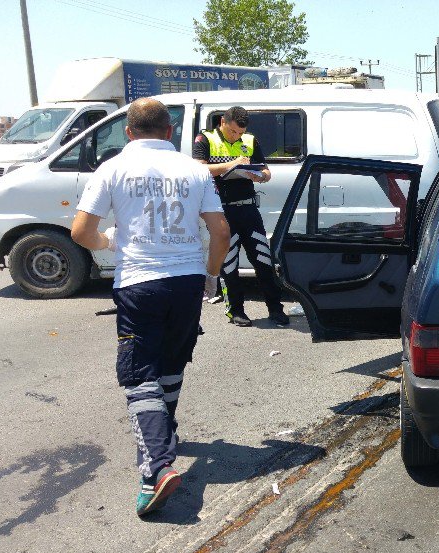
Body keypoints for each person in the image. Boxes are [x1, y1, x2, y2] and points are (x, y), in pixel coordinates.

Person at [71, 98, 231, 517]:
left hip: (140, 282)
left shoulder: (112, 169)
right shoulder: (195, 170)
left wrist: (108, 242)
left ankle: (156, 468)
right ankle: (166, 432)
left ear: (128, 132)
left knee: (139, 375)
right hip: (187, 281)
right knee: (173, 361)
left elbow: (81, 231)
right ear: (169, 132)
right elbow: (221, 231)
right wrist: (211, 277)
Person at [193, 106, 289, 327]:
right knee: (229, 263)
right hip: (221, 211)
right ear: (223, 122)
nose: (237, 136)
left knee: (264, 260)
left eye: (240, 133)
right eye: (233, 132)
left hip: (248, 208)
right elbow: (198, 170)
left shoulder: (250, 140)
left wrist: (259, 176)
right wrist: (233, 164)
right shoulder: (205, 139)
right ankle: (236, 311)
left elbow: (266, 172)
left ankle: (276, 309)